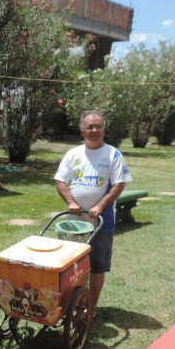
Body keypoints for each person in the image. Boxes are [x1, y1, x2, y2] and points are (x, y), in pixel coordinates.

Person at [53, 110, 132, 319]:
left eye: (98, 126)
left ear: (103, 129)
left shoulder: (113, 154)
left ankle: (91, 305)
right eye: (90, 127)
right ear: (82, 130)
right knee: (71, 265)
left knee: (97, 266)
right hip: (74, 222)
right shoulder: (73, 154)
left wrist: (100, 206)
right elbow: (60, 181)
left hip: (102, 221)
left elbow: (119, 184)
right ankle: (71, 300)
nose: (94, 130)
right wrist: (71, 202)